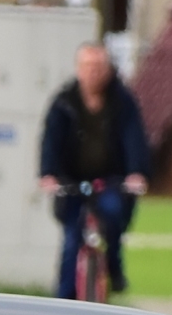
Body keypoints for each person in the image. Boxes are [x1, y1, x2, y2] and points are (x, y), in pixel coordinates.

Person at [38, 42, 152, 299]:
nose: (94, 73)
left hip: (111, 181)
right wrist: (49, 174)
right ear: (79, 70)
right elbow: (51, 141)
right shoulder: (64, 103)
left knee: (111, 217)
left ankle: (114, 268)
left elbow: (133, 138)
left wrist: (136, 173)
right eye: (89, 67)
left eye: (99, 67)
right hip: (72, 182)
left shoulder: (123, 102)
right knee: (71, 241)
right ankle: (63, 300)